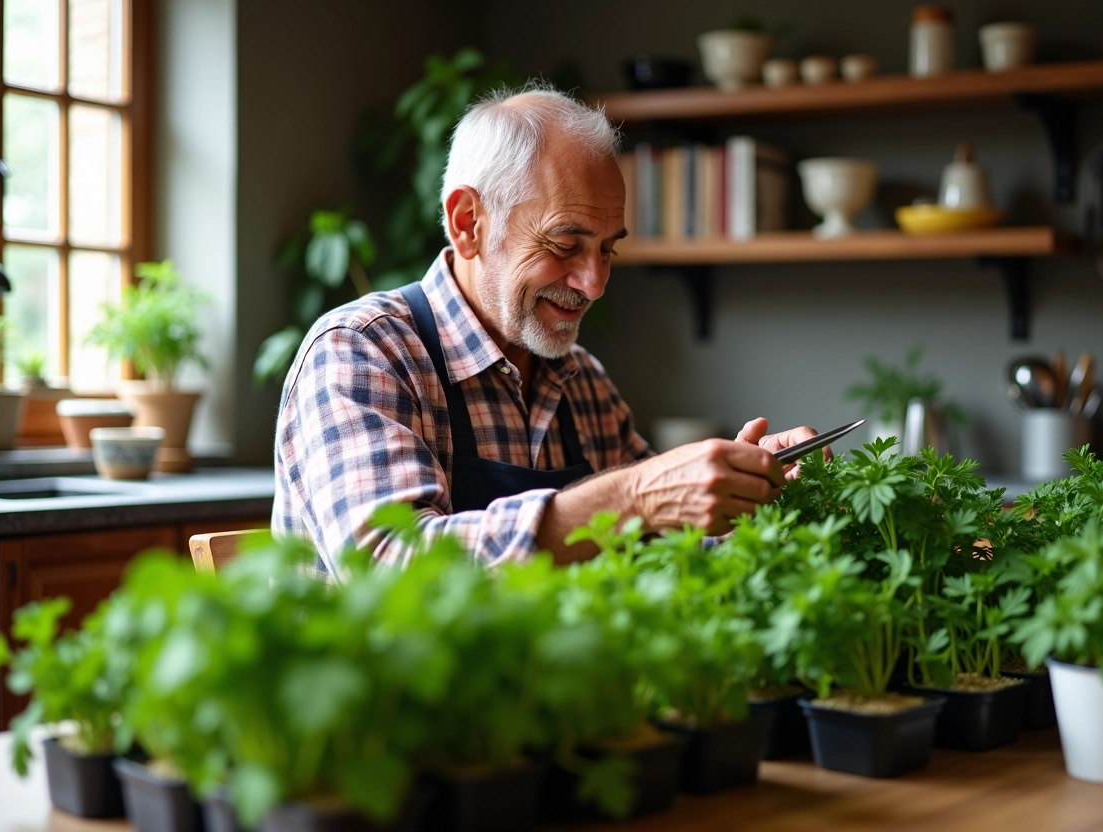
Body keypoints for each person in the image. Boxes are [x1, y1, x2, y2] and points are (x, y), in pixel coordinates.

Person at [273, 84, 820, 577]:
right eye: (564, 244)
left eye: (608, 248)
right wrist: (631, 498)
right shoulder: (361, 352)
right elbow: (394, 571)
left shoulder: (583, 384)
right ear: (469, 223)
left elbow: (659, 553)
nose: (595, 283)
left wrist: (745, 494)